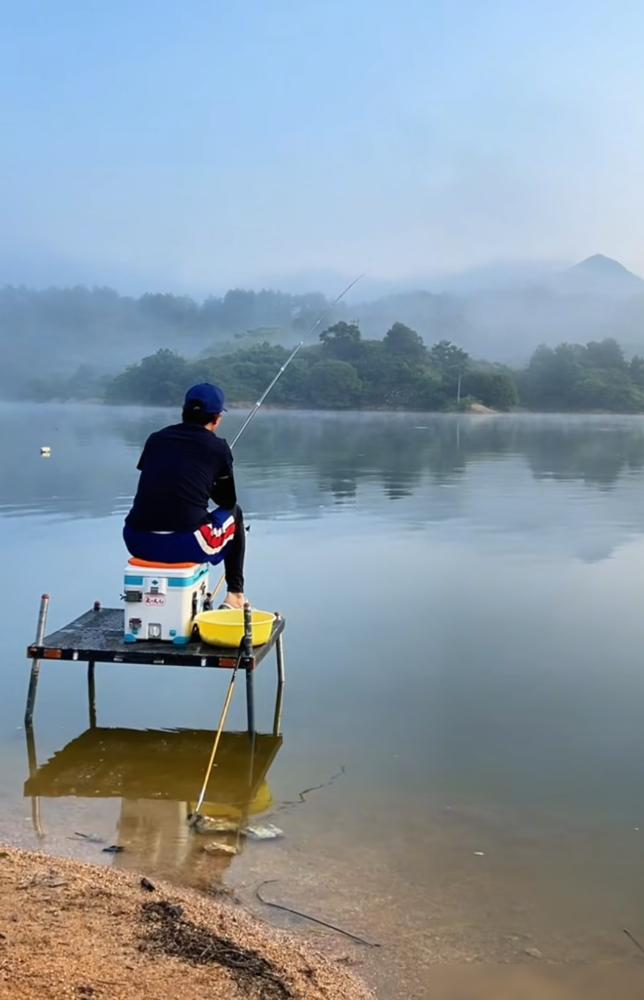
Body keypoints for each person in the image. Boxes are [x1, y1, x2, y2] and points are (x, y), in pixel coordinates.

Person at [123, 382, 247, 610]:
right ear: (217, 418)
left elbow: (162, 481)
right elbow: (226, 502)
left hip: (136, 540)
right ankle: (235, 595)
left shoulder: (156, 439)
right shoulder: (218, 448)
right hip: (188, 544)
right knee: (235, 514)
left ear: (184, 411)